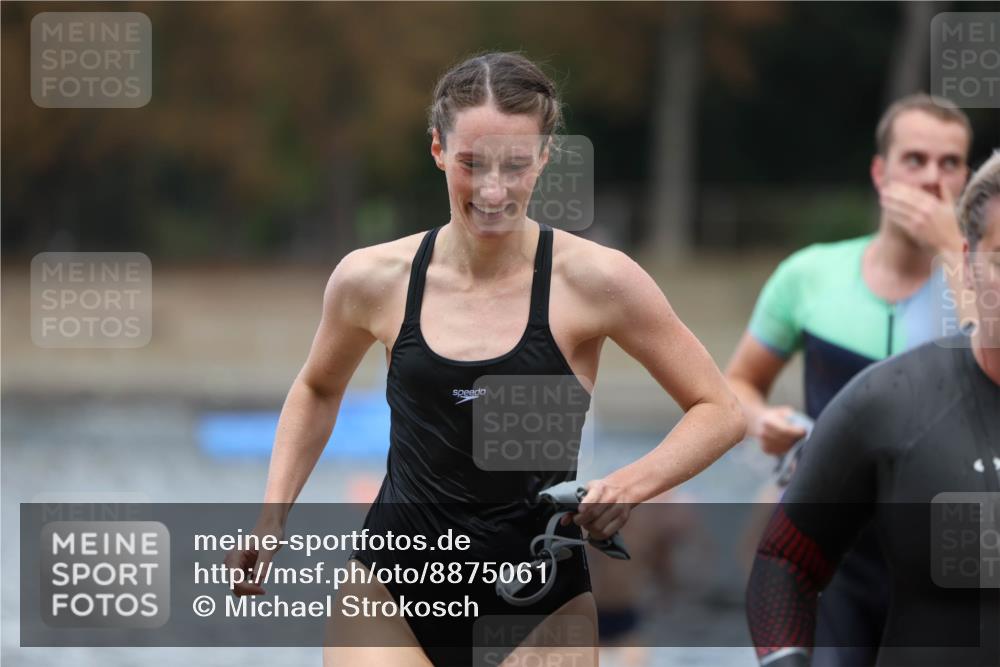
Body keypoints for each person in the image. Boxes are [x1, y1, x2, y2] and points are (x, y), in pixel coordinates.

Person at [227, 52, 745, 667]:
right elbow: (317, 388)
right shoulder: (372, 279)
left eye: (516, 165)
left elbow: (719, 409)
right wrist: (272, 518)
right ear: (438, 150)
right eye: (471, 164)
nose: (493, 191)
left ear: (545, 158)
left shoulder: (597, 282)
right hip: (392, 590)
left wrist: (630, 485)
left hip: (537, 599)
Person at [726, 94, 973, 666]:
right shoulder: (810, 275)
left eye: (950, 163)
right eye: (915, 160)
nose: (932, 179)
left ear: (967, 178)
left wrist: (950, 249)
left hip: (940, 552)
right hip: (835, 545)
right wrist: (763, 421)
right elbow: (737, 383)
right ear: (881, 173)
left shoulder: (981, 286)